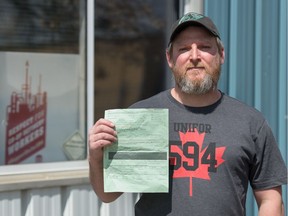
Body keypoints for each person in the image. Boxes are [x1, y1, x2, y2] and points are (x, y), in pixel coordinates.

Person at [88, 12, 288, 216]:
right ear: (170, 58)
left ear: (221, 54)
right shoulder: (141, 117)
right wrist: (95, 156)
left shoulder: (251, 122)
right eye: (184, 49)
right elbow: (108, 195)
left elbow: (271, 199)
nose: (194, 56)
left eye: (204, 47)